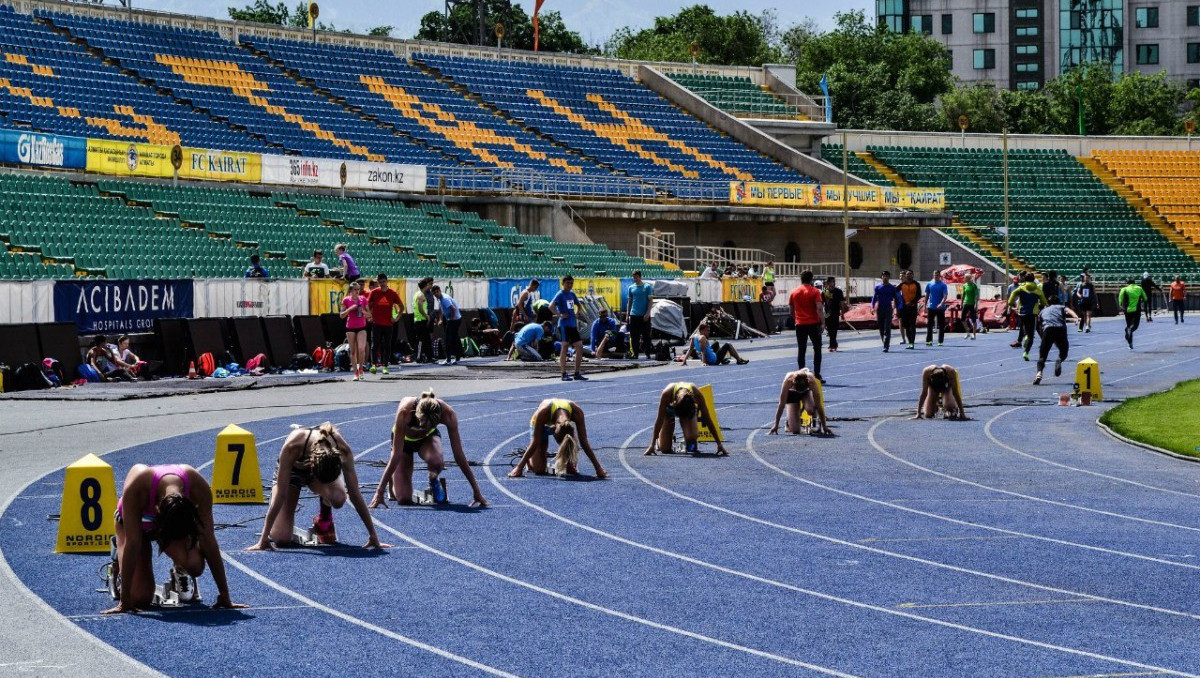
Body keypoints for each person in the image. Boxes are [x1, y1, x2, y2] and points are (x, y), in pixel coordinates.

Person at [105, 464, 246, 614]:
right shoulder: (138, 487)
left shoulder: (197, 487)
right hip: (135, 527)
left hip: (173, 522)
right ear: (157, 509)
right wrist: (124, 601)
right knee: (139, 598)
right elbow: (133, 544)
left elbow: (208, 540)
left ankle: (179, 571)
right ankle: (117, 563)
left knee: (195, 566)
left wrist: (224, 594)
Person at [248, 423, 388, 550]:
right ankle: (278, 526)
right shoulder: (293, 446)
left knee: (338, 499)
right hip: (292, 472)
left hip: (318, 474)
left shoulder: (342, 449)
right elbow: (281, 495)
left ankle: (323, 518)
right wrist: (263, 539)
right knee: (281, 539)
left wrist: (373, 535)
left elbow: (355, 493)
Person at [370, 390, 488, 508]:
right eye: (422, 426)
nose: (424, 429)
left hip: (427, 441)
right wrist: (379, 492)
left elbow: (459, 455)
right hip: (404, 442)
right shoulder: (404, 412)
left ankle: (433, 480)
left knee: (437, 461)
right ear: (416, 415)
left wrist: (476, 491)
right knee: (404, 498)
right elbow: (395, 457)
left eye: (430, 426)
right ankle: (393, 481)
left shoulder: (448, 414)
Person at [508, 398, 608, 478]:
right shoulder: (544, 412)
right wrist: (519, 468)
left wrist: (598, 469)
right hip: (540, 425)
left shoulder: (577, 412)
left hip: (563, 429)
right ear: (554, 432)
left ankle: (568, 461)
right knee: (539, 470)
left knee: (571, 460)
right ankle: (529, 456)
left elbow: (584, 442)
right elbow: (535, 441)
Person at [644, 382, 727, 456]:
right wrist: (652, 444)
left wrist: (719, 444)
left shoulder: (696, 394)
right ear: (675, 402)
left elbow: (707, 419)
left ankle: (687, 437)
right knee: (665, 449)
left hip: (688, 412)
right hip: (669, 411)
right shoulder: (667, 394)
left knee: (691, 443)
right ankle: (663, 438)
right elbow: (659, 420)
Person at [768, 369, 830, 436]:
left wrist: (824, 426)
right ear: (793, 383)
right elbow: (781, 405)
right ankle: (788, 422)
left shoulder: (811, 382)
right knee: (795, 430)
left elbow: (818, 405)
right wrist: (776, 424)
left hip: (806, 393)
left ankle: (814, 423)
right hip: (792, 393)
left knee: (811, 409)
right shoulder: (788, 381)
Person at [1033, 297, 1080, 385]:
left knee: (1043, 355)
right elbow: (1069, 311)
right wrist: (1075, 317)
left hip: (1048, 329)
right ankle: (1059, 359)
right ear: (1059, 302)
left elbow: (1038, 325)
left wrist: (1043, 337)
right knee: (1064, 351)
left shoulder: (1043, 310)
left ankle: (1039, 374)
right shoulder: (1061, 307)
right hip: (1060, 329)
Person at [551, 275, 588, 381]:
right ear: (563, 283)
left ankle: (577, 373)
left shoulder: (572, 294)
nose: (570, 285)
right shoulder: (560, 294)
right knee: (565, 346)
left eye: (571, 283)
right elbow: (551, 306)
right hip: (564, 325)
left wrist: (576, 313)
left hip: (572, 325)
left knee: (579, 347)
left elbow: (579, 305)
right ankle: (563, 373)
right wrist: (559, 315)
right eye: (568, 283)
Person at [789, 270, 824, 378]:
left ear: (801, 279)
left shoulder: (794, 292)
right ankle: (817, 374)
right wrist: (823, 322)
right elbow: (819, 308)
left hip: (800, 324)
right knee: (817, 348)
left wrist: (797, 319)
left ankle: (801, 375)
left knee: (801, 349)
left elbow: (791, 310)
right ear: (811, 280)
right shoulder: (815, 292)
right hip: (813, 323)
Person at [1006, 272, 1048, 360]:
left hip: (1022, 312)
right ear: (1033, 280)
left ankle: (1025, 336)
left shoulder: (1021, 288)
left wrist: (1011, 304)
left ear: (1025, 279)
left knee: (1024, 326)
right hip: (1033, 313)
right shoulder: (1037, 289)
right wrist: (1040, 303)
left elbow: (1012, 296)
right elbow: (1044, 302)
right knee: (1031, 334)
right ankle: (1026, 352)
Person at [367, 274, 403, 373]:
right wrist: (369, 316)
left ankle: (385, 366)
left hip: (388, 324)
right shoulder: (374, 293)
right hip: (376, 323)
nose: (382, 284)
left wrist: (396, 318)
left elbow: (401, 307)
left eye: (384, 282)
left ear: (387, 281)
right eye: (380, 282)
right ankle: (373, 365)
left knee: (387, 345)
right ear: (378, 282)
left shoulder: (392, 293)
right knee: (375, 344)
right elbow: (367, 305)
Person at [682, 322, 749, 366]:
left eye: (709, 330)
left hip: (709, 358)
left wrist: (684, 361)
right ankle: (739, 360)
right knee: (728, 344)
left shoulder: (694, 337)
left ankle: (723, 360)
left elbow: (690, 350)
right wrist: (704, 363)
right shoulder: (702, 338)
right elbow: (703, 352)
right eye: (707, 330)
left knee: (716, 343)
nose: (709, 332)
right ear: (701, 331)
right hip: (713, 360)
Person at [340, 281, 369, 381]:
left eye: (358, 289)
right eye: (355, 289)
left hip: (361, 326)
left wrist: (363, 311)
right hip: (350, 327)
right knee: (353, 351)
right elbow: (341, 315)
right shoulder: (346, 300)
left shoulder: (363, 299)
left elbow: (369, 315)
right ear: (351, 291)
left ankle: (361, 369)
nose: (357, 291)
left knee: (361, 348)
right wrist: (350, 309)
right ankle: (355, 373)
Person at [626, 271, 654, 360]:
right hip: (634, 315)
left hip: (644, 315)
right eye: (633, 277)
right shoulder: (631, 288)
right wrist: (628, 314)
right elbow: (629, 302)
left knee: (646, 336)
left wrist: (648, 313)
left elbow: (650, 301)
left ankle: (648, 353)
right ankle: (635, 354)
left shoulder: (647, 287)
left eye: (636, 277)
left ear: (640, 277)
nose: (635, 279)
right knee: (634, 336)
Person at [432, 285, 462, 365]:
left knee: (448, 339)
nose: (436, 294)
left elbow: (453, 309)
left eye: (437, 292)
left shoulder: (445, 299)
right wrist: (441, 319)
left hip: (454, 320)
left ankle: (448, 359)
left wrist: (451, 319)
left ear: (440, 291)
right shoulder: (440, 299)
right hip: (455, 319)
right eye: (434, 293)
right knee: (454, 338)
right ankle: (457, 357)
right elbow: (441, 309)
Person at [871, 271, 900, 352]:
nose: (885, 277)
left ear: (889, 278)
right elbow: (874, 298)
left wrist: (896, 309)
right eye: (884, 276)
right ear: (882, 277)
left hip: (888, 309)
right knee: (881, 328)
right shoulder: (878, 287)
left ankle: (886, 346)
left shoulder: (892, 288)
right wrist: (872, 307)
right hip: (880, 309)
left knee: (887, 328)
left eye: (887, 276)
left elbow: (896, 299)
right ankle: (884, 342)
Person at [896, 270, 922, 349]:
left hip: (913, 308)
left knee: (912, 325)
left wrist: (912, 302)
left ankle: (912, 343)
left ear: (913, 275)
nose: (909, 276)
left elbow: (919, 295)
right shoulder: (902, 284)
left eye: (910, 274)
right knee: (906, 326)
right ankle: (909, 340)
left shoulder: (916, 284)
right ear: (905, 276)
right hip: (904, 308)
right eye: (907, 274)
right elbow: (895, 291)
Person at [411, 277, 434, 362]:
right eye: (427, 284)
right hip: (420, 320)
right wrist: (426, 316)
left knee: (426, 338)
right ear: (425, 285)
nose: (429, 285)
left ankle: (429, 357)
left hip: (420, 319)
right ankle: (418, 357)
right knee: (420, 339)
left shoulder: (417, 294)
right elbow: (420, 308)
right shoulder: (421, 295)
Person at [1119, 278, 1146, 349]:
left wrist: (1121, 306)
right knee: (1134, 326)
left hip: (1127, 311)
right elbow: (1145, 298)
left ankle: (1130, 344)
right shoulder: (1139, 288)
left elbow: (1120, 299)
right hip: (1136, 310)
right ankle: (1129, 333)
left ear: (1127, 283)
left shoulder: (1124, 289)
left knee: (1129, 326)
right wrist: (1142, 302)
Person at [923, 270, 949, 346]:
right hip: (931, 307)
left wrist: (941, 303)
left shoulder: (943, 285)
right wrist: (925, 306)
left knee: (941, 325)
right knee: (929, 324)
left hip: (940, 308)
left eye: (937, 275)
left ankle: (940, 341)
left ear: (940, 276)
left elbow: (945, 296)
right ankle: (929, 340)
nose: (936, 276)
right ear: (933, 275)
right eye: (935, 275)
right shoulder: (929, 284)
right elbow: (927, 295)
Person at [823, 276, 848, 352]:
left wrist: (842, 313)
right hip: (827, 313)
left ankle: (832, 345)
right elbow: (821, 304)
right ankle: (834, 343)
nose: (832, 283)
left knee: (834, 329)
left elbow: (842, 303)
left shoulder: (838, 291)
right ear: (827, 283)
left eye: (833, 282)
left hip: (835, 313)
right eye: (830, 282)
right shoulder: (824, 292)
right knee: (829, 330)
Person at [960, 274, 979, 340]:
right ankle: (968, 332)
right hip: (966, 303)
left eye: (965, 278)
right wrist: (961, 303)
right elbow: (963, 294)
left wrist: (976, 304)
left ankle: (974, 335)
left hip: (972, 304)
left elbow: (976, 296)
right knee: (962, 319)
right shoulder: (964, 285)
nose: (964, 279)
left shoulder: (974, 285)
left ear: (969, 278)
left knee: (973, 320)